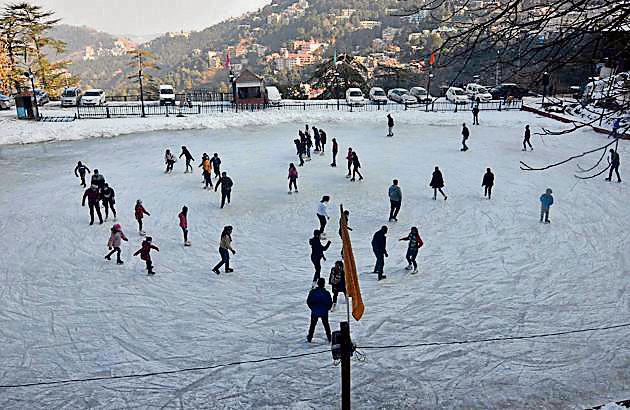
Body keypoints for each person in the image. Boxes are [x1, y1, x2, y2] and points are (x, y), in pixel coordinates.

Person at [306, 278, 333, 343]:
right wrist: (326, 309)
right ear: (324, 284)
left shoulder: (313, 292)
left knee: (312, 325)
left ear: (318, 284)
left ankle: (310, 337)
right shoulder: (326, 293)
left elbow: (309, 301)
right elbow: (330, 303)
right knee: (326, 325)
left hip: (315, 311)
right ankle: (329, 338)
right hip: (324, 312)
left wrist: (313, 308)